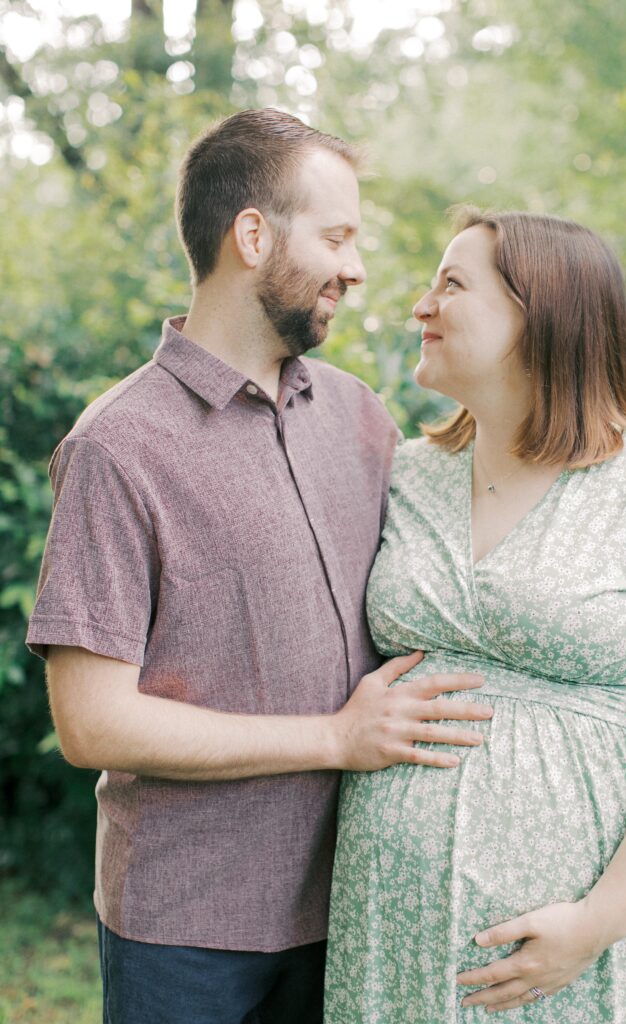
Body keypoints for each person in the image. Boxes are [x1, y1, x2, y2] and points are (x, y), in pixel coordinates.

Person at [25, 110, 493, 1024]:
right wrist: (334, 739)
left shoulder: (362, 418)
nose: (356, 269)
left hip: (358, 903)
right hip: (186, 931)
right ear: (251, 236)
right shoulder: (118, 446)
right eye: (336, 237)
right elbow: (91, 723)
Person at [324, 208, 626, 1022]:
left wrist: (596, 923)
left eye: (451, 284)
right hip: (394, 933)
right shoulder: (403, 476)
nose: (420, 306)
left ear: (539, 314)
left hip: (590, 952)